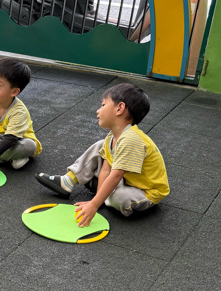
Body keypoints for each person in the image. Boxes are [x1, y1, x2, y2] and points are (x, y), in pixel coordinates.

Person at [36, 82, 169, 224]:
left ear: (120, 108)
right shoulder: (112, 136)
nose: (98, 111)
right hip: (127, 179)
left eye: (103, 105)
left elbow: (116, 175)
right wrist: (97, 201)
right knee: (100, 146)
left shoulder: (131, 139)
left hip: (146, 191)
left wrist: (94, 204)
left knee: (120, 198)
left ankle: (108, 195)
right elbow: (106, 169)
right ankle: (69, 181)